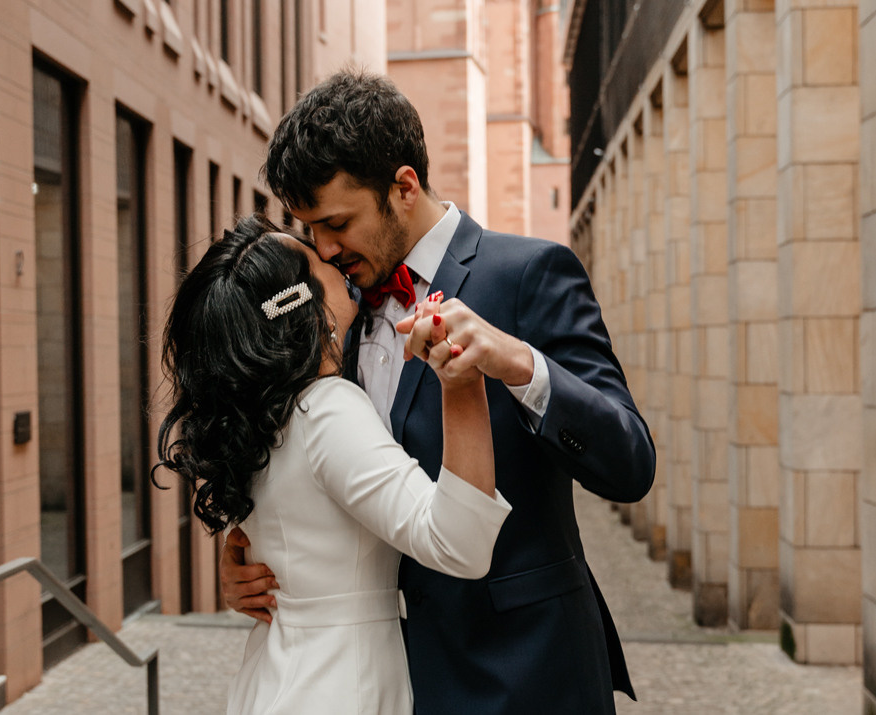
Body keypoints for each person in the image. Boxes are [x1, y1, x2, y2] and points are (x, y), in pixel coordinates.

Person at [221, 70, 656, 713]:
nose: (323, 248)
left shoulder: (531, 273)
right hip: (387, 681)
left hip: (522, 673)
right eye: (309, 227)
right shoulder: (331, 309)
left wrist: (521, 364)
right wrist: (246, 550)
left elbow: (630, 463)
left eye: (337, 222)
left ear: (404, 186)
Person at [156, 215, 512, 714]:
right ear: (306, 306)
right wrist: (461, 380)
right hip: (341, 685)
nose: (329, 256)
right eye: (313, 257)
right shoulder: (327, 409)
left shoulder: (261, 417)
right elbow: (461, 546)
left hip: (277, 676)